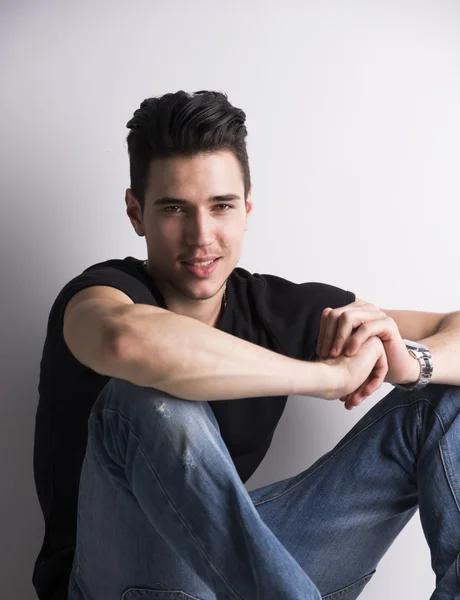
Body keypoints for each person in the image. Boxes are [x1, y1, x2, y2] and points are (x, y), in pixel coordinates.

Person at [32, 90, 460, 600]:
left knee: (444, 395)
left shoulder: (276, 308)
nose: (201, 236)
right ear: (135, 212)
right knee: (144, 397)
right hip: (114, 579)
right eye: (174, 208)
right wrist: (325, 378)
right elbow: (126, 341)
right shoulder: (102, 295)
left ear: (247, 208)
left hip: (235, 573)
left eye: (221, 206)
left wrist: (413, 363)